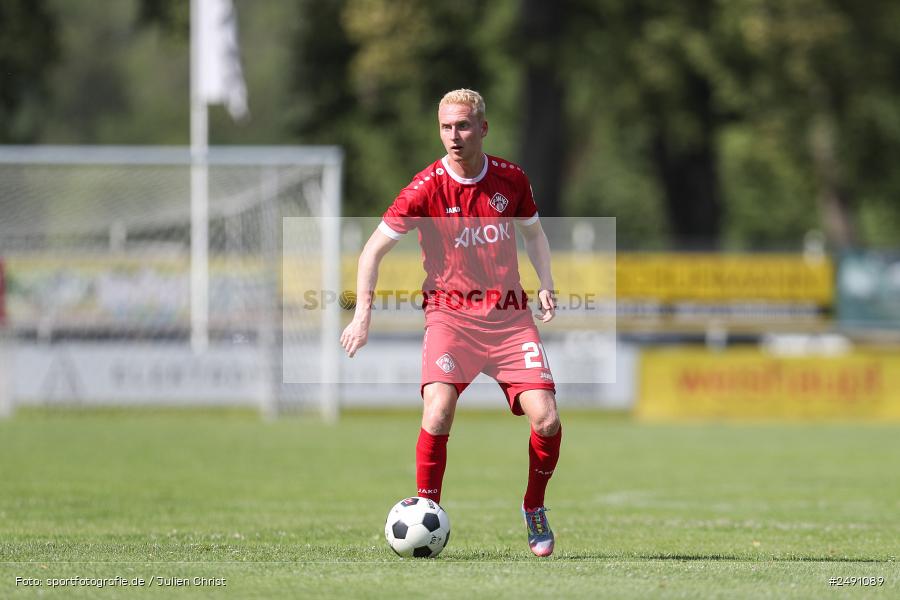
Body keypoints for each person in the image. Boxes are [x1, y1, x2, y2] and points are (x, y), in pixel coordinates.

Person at [340, 89, 561, 557]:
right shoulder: (424, 188)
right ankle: (428, 512)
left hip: (508, 320)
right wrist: (363, 315)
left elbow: (535, 235)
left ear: (483, 127)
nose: (453, 136)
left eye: (462, 126)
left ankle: (534, 507)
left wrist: (546, 281)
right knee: (437, 412)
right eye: (445, 127)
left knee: (546, 420)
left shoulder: (511, 179)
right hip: (451, 318)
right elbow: (371, 251)